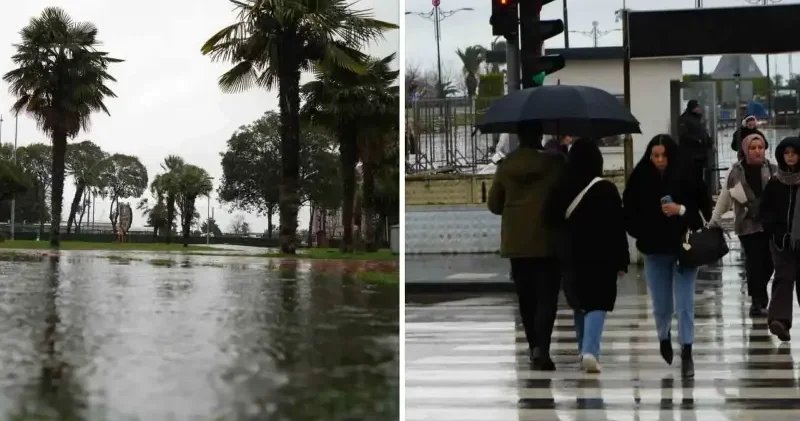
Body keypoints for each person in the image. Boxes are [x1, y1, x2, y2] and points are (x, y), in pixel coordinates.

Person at [623, 134, 711, 378]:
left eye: (664, 155)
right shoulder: (640, 178)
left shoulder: (688, 174)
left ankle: (687, 351)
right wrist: (644, 228)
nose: (660, 160)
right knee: (662, 305)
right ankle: (664, 337)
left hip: (685, 249)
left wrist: (680, 210)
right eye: (655, 156)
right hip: (654, 250)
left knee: (684, 304)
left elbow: (704, 211)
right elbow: (628, 212)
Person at [546, 139, 629, 373]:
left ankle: (584, 349)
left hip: (571, 255)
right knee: (598, 303)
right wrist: (622, 260)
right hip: (601, 256)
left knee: (579, 303)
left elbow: (550, 220)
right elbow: (617, 227)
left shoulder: (560, 186)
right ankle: (590, 351)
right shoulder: (607, 189)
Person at [488, 130, 565, 371]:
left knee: (526, 298)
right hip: (547, 240)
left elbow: (494, 204)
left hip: (517, 242)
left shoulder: (506, 165)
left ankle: (533, 346)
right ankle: (543, 347)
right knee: (547, 298)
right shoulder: (554, 164)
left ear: (519, 137)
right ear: (539, 137)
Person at [710, 132, 776, 317]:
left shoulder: (772, 169)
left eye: (760, 148)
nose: (756, 151)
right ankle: (758, 301)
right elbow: (726, 196)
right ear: (746, 150)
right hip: (747, 225)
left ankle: (759, 293)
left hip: (769, 225)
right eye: (753, 148)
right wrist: (714, 220)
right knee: (754, 262)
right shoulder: (736, 171)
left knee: (769, 262)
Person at [759, 136, 800, 342]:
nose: (791, 157)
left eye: (794, 153)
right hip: (780, 241)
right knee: (784, 276)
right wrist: (773, 230)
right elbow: (764, 210)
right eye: (787, 153)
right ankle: (779, 321)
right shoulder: (775, 182)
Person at [677, 100, 713, 183]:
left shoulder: (698, 118)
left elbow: (703, 132)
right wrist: (697, 140)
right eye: (696, 107)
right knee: (691, 177)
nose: (698, 108)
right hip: (690, 155)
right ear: (692, 108)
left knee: (699, 176)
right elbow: (683, 135)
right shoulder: (683, 119)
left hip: (700, 155)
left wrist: (709, 142)